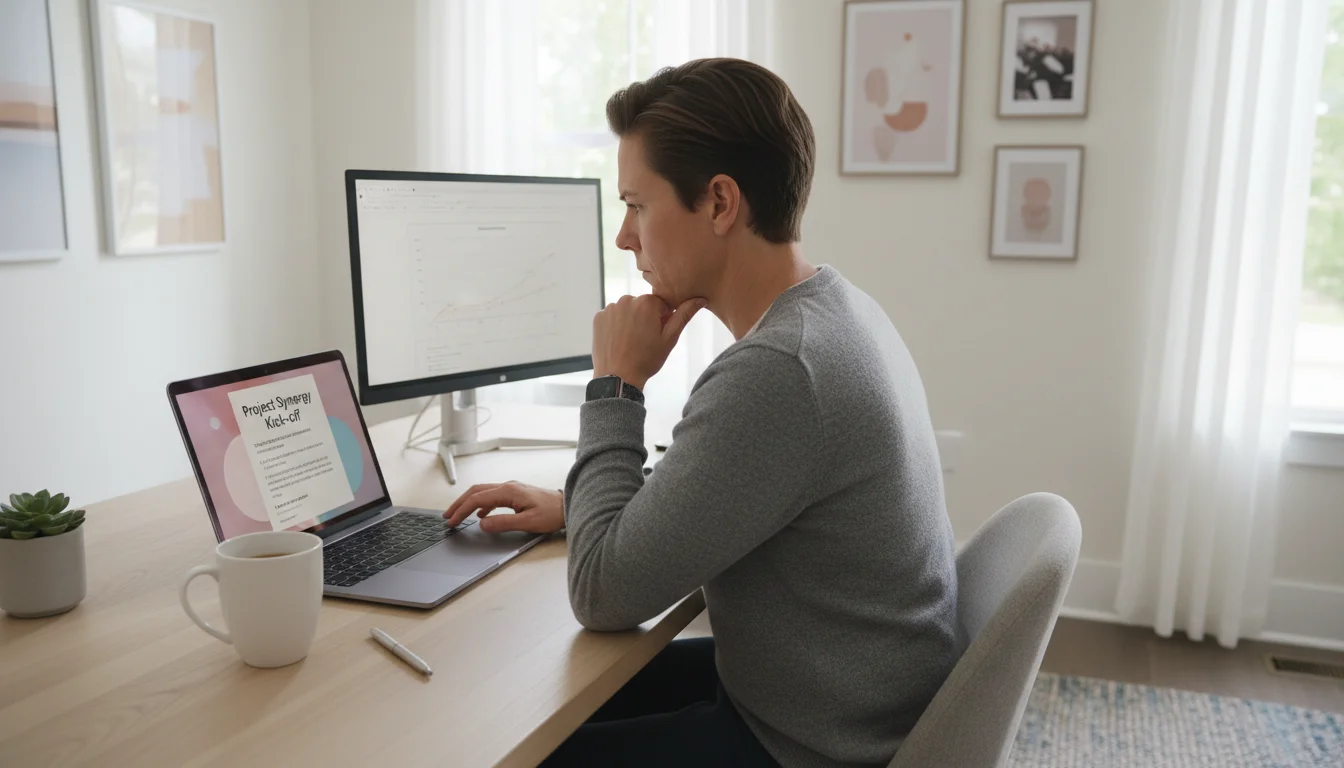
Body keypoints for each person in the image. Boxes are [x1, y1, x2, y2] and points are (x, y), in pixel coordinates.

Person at [443, 57, 960, 768]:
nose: (625, 237)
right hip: (840, 699)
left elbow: (601, 592)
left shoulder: (778, 372)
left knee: (507, 746)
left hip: (809, 744)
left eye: (636, 205)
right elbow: (735, 484)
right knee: (530, 709)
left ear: (720, 203)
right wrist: (577, 504)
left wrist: (616, 385)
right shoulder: (833, 311)